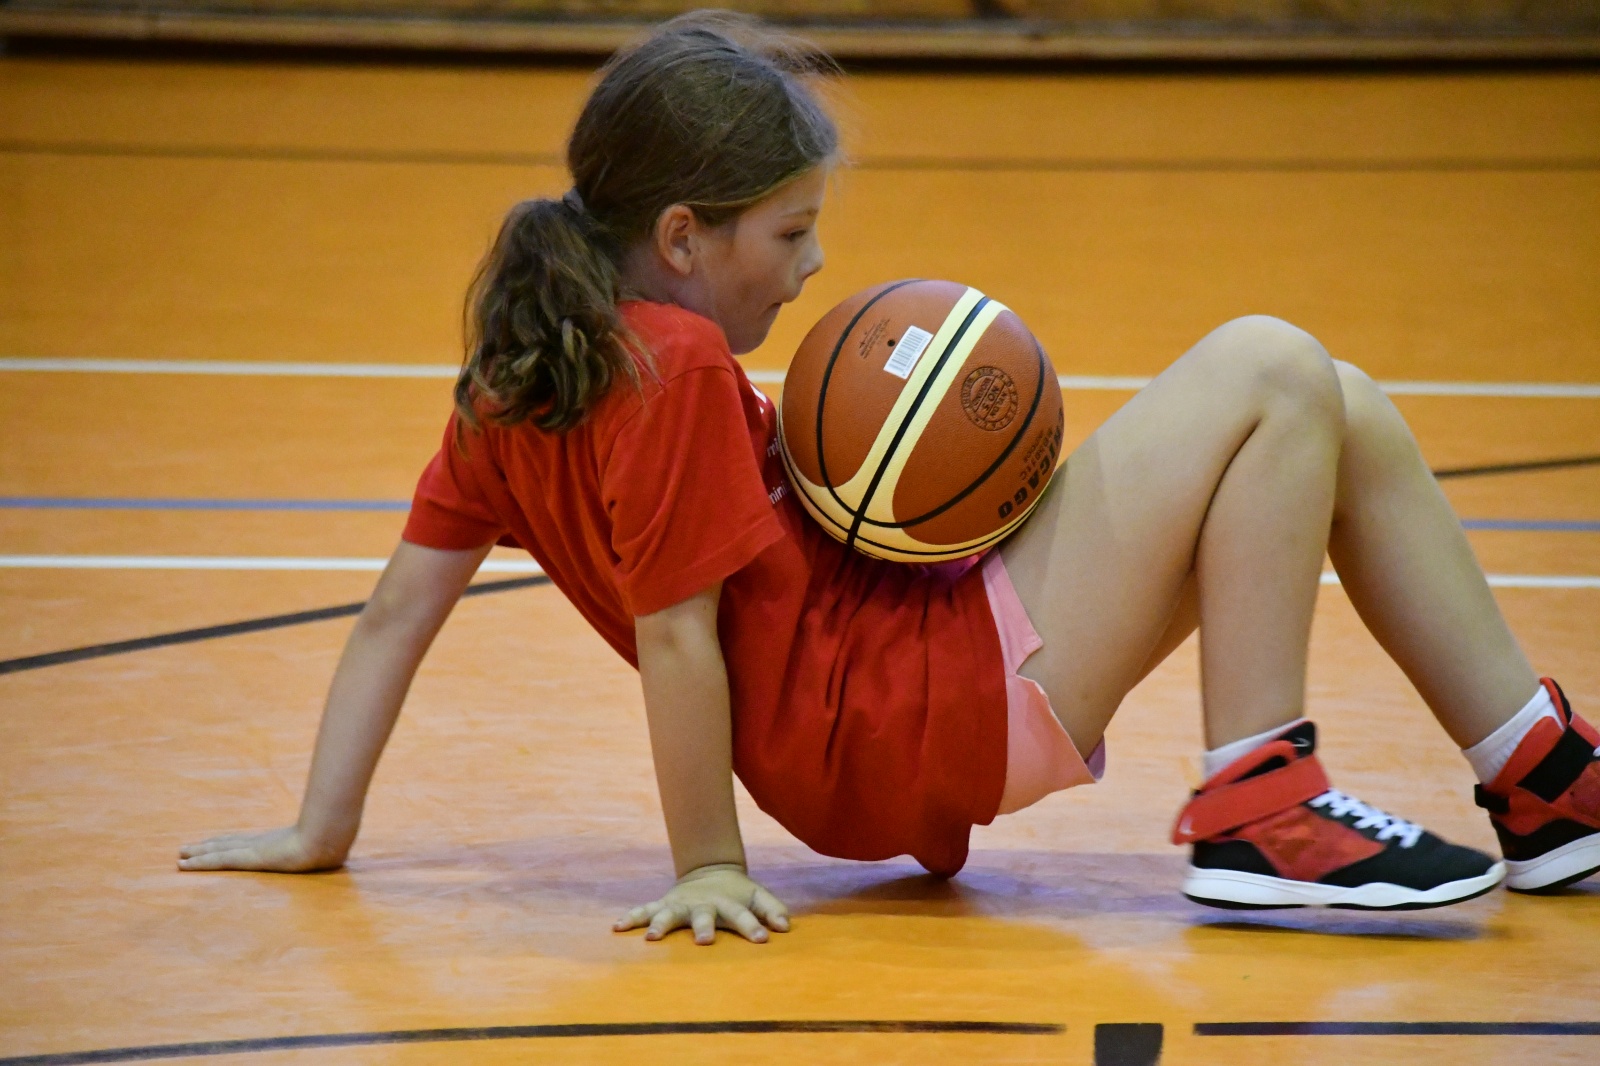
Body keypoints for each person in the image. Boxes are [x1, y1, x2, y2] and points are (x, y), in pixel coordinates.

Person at [178, 13, 1600, 942]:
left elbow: (395, 613)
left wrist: (322, 827)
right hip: (912, 710)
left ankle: (1543, 784)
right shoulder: (671, 365)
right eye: (790, 233)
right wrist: (707, 863)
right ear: (682, 237)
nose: (814, 266)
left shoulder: (507, 391)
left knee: (1336, 405)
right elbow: (677, 638)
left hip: (901, 698)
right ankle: (1259, 807)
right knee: (1274, 363)